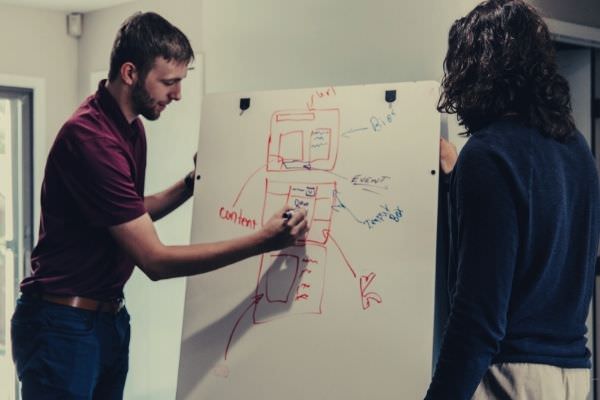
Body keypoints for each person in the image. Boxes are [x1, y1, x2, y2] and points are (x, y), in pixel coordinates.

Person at [10, 12, 308, 400]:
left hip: (106, 321)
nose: (178, 94)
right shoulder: (90, 138)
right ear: (130, 73)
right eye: (169, 82)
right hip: (62, 326)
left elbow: (130, 212)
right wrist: (264, 241)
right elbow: (154, 261)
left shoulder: (130, 128)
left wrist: (191, 183)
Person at [426, 1, 600, 399]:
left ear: (474, 71)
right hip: (573, 376)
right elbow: (539, 237)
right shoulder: (576, 149)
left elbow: (477, 318)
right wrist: (458, 181)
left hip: (512, 378)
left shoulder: (489, 155)